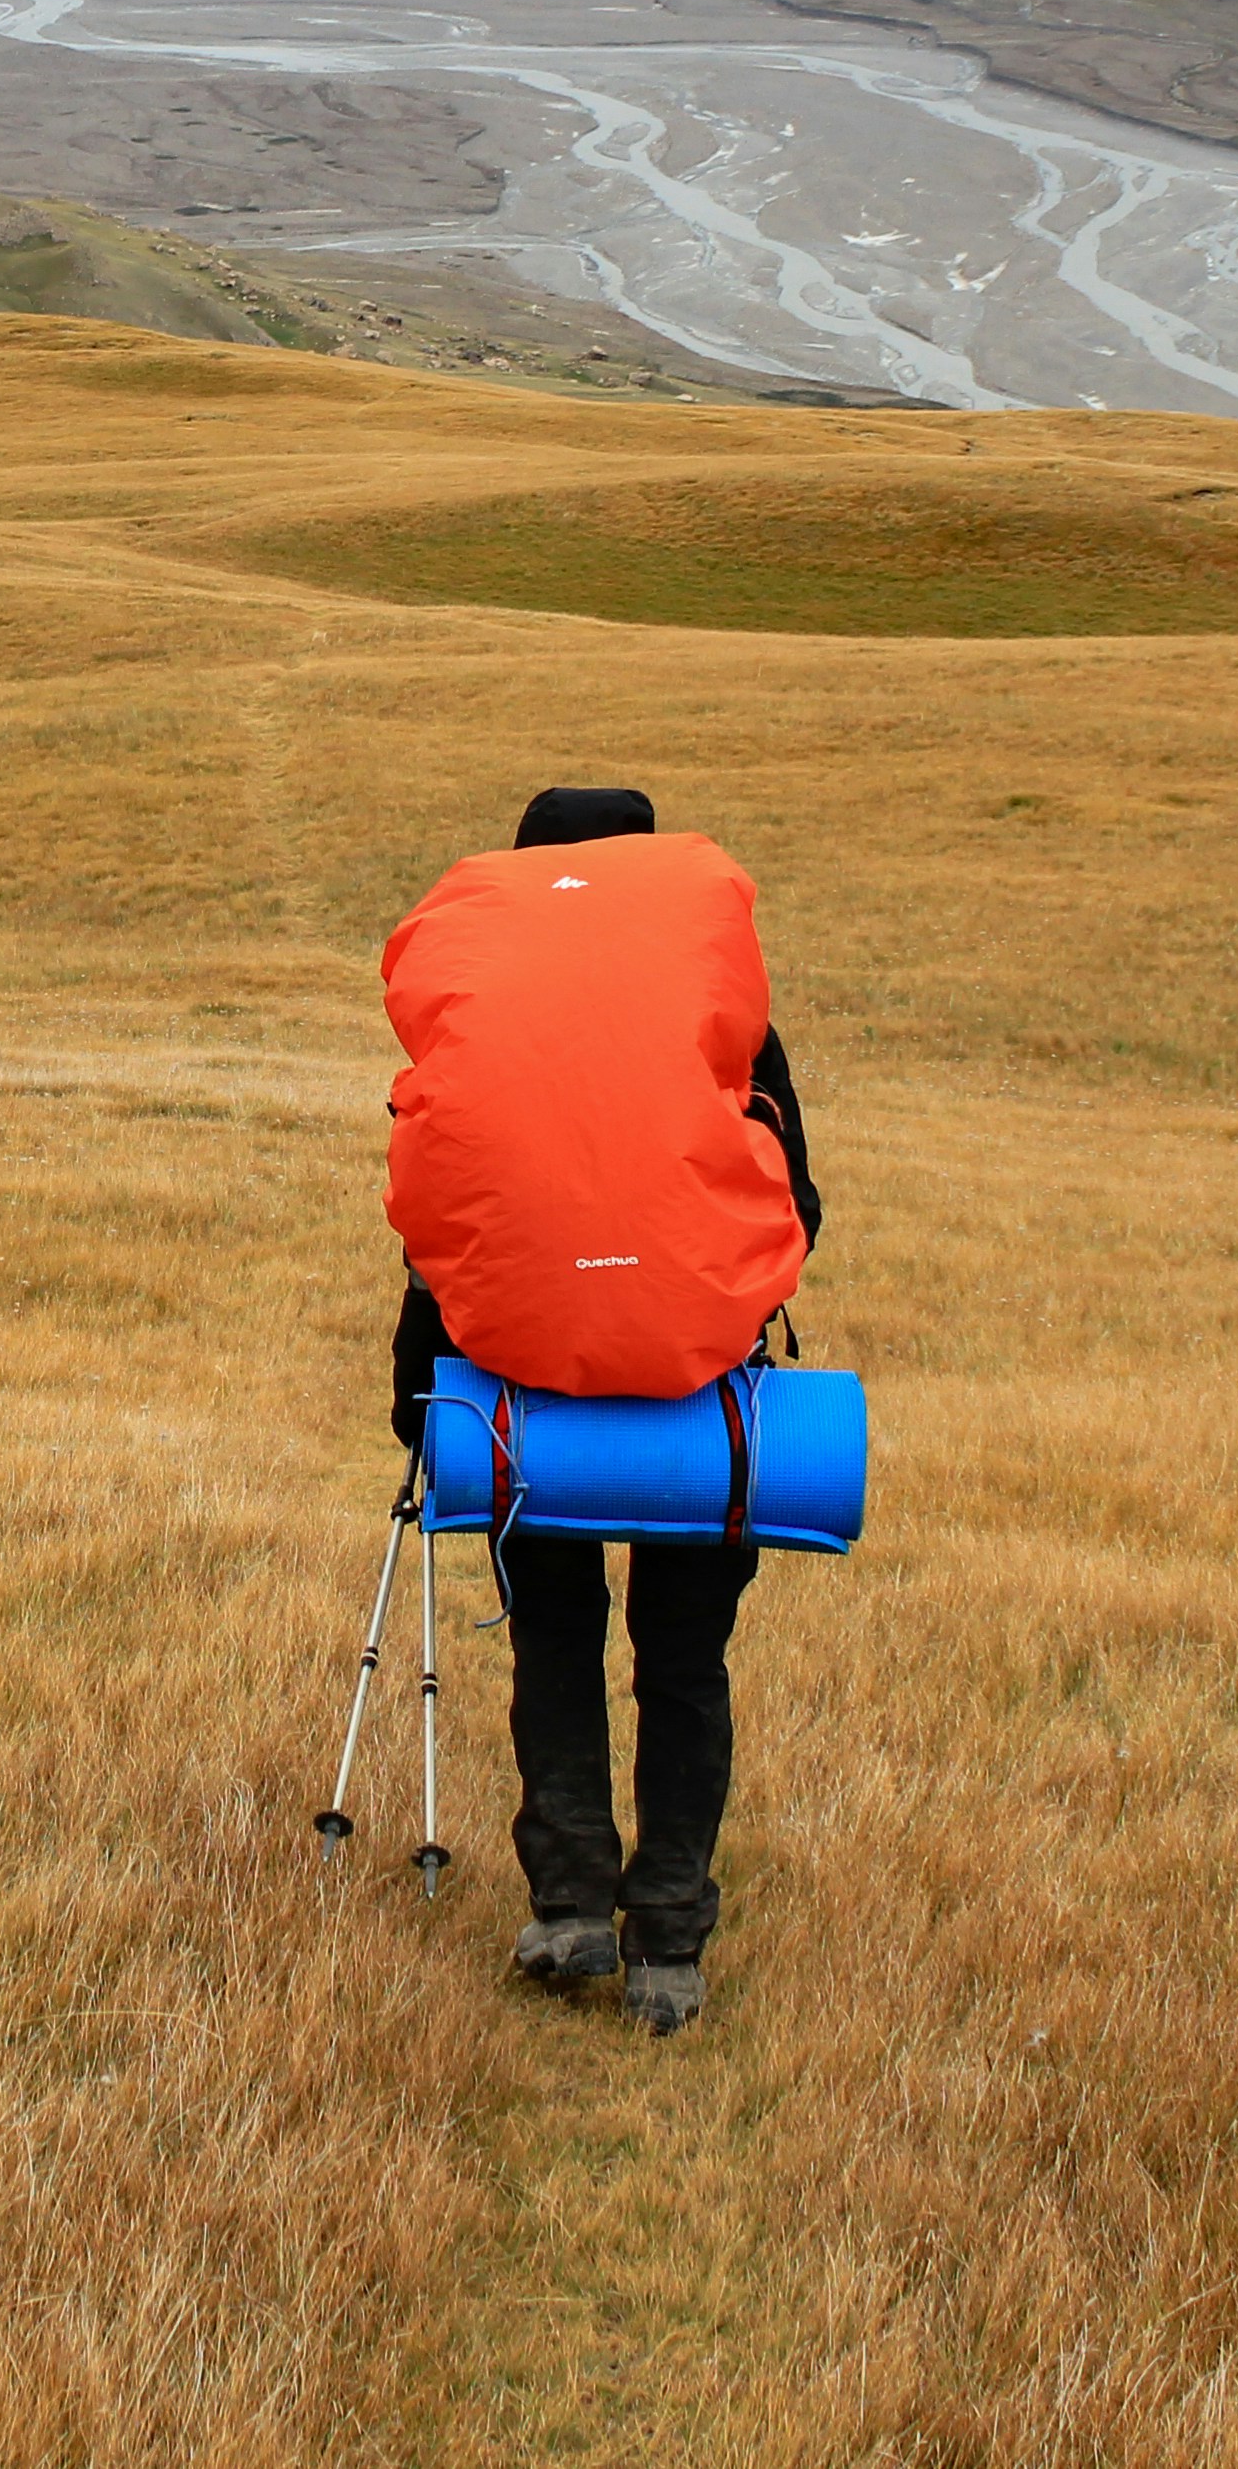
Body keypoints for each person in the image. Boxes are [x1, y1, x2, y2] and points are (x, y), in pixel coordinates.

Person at [388, 786, 820, 2036]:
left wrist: (419, 1386)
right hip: (699, 1390)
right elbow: (798, 1205)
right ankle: (667, 1946)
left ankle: (572, 1903)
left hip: (526, 1395)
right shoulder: (714, 1013)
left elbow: (443, 1219)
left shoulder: (486, 1011)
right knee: (683, 1661)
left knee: (556, 1638)